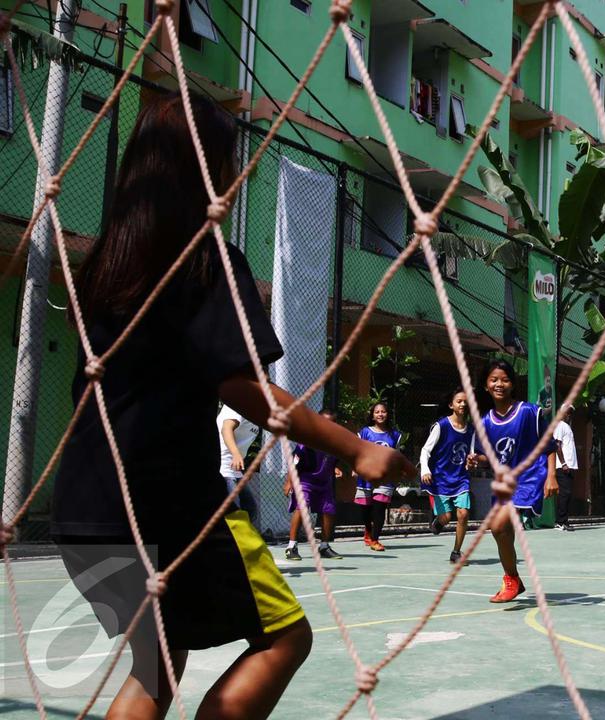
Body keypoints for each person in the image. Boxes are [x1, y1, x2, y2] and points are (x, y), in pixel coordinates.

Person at [51, 93, 413, 719]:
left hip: (82, 508)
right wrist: (356, 448)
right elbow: (244, 389)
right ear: (210, 170)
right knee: (284, 637)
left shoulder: (104, 266)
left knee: (159, 663)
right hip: (166, 505)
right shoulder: (204, 258)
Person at [467, 360, 558, 602]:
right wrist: (477, 458)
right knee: (501, 532)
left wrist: (551, 475)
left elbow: (549, 446)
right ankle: (513, 580)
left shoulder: (529, 412)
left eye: (504, 379)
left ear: (512, 384)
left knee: (497, 526)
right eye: (494, 380)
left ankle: (511, 579)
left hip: (529, 477)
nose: (499, 384)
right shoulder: (485, 422)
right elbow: (491, 456)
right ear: (486, 386)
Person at [421, 388, 475, 564]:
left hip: (461, 479)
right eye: (459, 401)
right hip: (441, 479)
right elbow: (425, 450)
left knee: (463, 514)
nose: (463, 404)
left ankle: (456, 552)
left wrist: (472, 461)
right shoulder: (441, 426)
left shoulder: (471, 430)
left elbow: (472, 453)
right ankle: (438, 522)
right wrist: (425, 470)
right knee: (446, 517)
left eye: (466, 401)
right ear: (452, 405)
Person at [283, 409, 345, 562]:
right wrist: (289, 482)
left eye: (331, 422)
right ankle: (291, 546)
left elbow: (330, 459)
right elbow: (294, 462)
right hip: (306, 480)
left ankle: (324, 546)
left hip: (325, 482)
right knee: (302, 508)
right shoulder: (307, 440)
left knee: (328, 511)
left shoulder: (336, 442)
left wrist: (335, 468)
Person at [356, 402, 401, 552]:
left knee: (379, 508)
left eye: (383, 412)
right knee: (365, 510)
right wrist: (356, 467)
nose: (380, 414)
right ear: (372, 415)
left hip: (384, 477)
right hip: (366, 475)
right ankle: (368, 530)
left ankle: (375, 540)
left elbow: (396, 456)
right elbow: (357, 452)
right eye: (377, 412)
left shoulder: (395, 435)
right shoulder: (364, 432)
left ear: (387, 414)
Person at [217, 402, 261, 527]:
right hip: (223, 467)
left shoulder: (257, 414)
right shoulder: (238, 404)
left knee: (250, 509)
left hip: (234, 469)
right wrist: (236, 454)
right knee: (234, 513)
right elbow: (226, 429)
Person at [552, 407, 578, 532]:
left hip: (570, 465)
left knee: (567, 495)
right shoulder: (560, 425)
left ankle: (564, 521)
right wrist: (563, 463)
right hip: (563, 466)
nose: (569, 415)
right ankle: (560, 522)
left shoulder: (566, 426)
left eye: (570, 413)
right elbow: (557, 445)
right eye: (567, 412)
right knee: (564, 494)